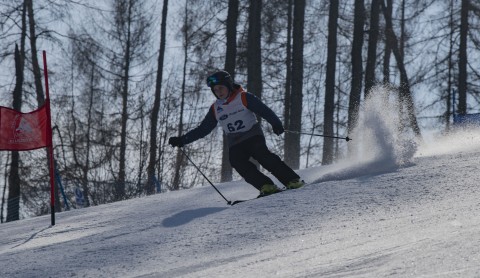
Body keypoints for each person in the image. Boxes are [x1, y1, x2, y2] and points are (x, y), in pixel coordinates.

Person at [168, 70, 304, 196]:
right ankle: (266, 186)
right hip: (235, 142)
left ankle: (292, 180)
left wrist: (276, 123)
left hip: (252, 136)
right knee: (237, 161)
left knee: (263, 156)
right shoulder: (216, 108)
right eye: (215, 90)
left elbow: (264, 110)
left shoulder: (243, 97)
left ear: (229, 85)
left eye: (221, 87)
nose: (218, 92)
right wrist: (182, 140)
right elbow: (204, 129)